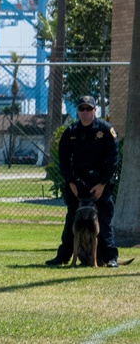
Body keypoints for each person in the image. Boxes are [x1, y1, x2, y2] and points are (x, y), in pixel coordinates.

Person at [46, 95, 120, 268]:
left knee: (103, 219)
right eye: (82, 109)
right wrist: (70, 182)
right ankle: (63, 256)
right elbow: (63, 160)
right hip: (77, 185)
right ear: (78, 111)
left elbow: (113, 159)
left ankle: (110, 257)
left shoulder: (106, 130)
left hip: (99, 184)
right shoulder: (71, 132)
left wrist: (103, 183)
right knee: (72, 218)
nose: (85, 112)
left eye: (89, 109)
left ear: (95, 110)